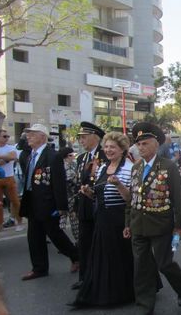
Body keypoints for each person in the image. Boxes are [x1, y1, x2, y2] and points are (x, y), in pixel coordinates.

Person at [124, 122, 181, 315]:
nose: (140, 147)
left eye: (145, 143)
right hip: (138, 225)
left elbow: (178, 198)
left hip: (161, 225)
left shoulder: (167, 166)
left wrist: (179, 228)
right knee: (142, 267)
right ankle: (144, 306)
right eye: (138, 144)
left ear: (155, 144)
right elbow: (132, 198)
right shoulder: (136, 168)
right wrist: (127, 222)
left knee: (164, 264)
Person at [71, 132, 134, 308]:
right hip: (102, 219)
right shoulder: (102, 168)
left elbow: (131, 199)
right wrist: (89, 193)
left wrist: (119, 185)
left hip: (119, 220)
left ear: (122, 149)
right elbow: (100, 197)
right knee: (103, 257)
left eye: (112, 147)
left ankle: (122, 293)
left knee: (119, 257)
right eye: (106, 147)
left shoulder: (129, 168)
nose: (108, 150)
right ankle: (105, 291)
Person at [19, 124, 79, 280]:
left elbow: (58, 183)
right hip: (32, 200)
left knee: (54, 234)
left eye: (32, 134)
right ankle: (39, 268)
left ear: (43, 136)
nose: (28, 137)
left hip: (47, 202)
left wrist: (61, 206)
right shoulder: (29, 155)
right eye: (28, 134)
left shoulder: (52, 156)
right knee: (34, 236)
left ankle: (76, 256)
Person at [71, 122, 107, 290]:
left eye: (84, 137)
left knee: (100, 243)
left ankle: (100, 277)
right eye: (80, 137)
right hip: (85, 206)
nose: (81, 140)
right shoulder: (81, 157)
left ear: (95, 137)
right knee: (84, 242)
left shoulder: (105, 155)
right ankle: (85, 277)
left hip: (100, 205)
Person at [0, 129, 23, 232]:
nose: (7, 138)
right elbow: (7, 159)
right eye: (4, 136)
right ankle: (0, 225)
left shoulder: (10, 147)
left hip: (9, 177)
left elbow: (13, 156)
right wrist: (4, 159)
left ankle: (19, 222)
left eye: (7, 136)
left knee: (15, 201)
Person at [58, 147, 79, 243]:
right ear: (66, 157)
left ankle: (62, 242)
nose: (73, 157)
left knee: (62, 222)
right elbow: (75, 181)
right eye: (71, 155)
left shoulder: (69, 165)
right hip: (70, 198)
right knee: (74, 223)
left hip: (64, 198)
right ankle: (77, 243)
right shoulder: (66, 167)